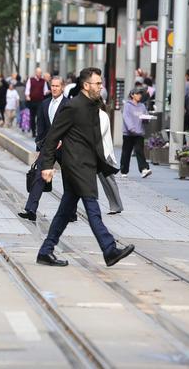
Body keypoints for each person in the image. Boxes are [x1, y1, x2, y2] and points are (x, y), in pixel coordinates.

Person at [36, 67, 135, 267]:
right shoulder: (73, 107)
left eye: (101, 83)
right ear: (86, 85)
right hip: (76, 166)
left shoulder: (92, 105)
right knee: (93, 209)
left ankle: (46, 251)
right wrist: (46, 165)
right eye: (97, 83)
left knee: (64, 213)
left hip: (88, 165)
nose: (101, 86)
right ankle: (109, 249)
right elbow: (52, 137)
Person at [19, 76, 70, 221]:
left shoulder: (69, 104)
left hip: (65, 147)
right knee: (39, 176)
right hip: (48, 146)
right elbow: (40, 127)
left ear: (62, 87)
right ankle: (31, 210)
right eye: (52, 86)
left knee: (69, 179)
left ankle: (70, 211)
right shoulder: (45, 103)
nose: (54, 88)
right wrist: (39, 147)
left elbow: (73, 127)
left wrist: (63, 139)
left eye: (57, 86)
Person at [120, 88, 152, 178]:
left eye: (140, 94)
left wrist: (147, 119)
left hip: (139, 133)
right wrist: (131, 128)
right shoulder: (127, 105)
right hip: (128, 134)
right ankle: (124, 170)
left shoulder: (142, 106)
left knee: (139, 151)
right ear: (132, 95)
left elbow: (145, 116)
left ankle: (144, 169)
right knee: (126, 152)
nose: (139, 95)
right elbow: (126, 117)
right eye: (137, 94)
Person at [26, 67, 49, 137]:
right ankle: (33, 131)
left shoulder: (43, 81)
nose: (39, 74)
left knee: (39, 117)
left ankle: (39, 131)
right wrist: (27, 96)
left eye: (40, 73)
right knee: (32, 117)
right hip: (32, 101)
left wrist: (48, 91)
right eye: (38, 72)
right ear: (36, 73)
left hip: (40, 101)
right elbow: (27, 89)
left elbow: (45, 91)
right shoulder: (31, 80)